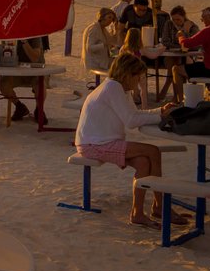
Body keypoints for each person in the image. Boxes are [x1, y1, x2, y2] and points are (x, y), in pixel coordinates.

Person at [74, 54, 186, 227]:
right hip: (94, 143)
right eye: (138, 76)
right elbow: (131, 121)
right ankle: (160, 206)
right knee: (153, 151)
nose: (139, 81)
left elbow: (135, 114)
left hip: (100, 140)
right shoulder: (113, 87)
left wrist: (160, 112)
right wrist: (160, 116)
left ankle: (138, 213)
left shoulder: (118, 88)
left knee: (143, 162)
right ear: (128, 74)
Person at [0, 38, 46, 124]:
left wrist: (24, 41)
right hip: (19, 71)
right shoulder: (12, 34)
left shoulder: (35, 36)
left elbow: (34, 58)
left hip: (36, 71)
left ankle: (39, 110)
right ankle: (19, 107)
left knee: (40, 85)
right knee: (3, 84)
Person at [82, 7, 119, 76]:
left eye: (112, 19)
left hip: (102, 61)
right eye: (109, 17)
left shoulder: (103, 29)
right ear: (102, 17)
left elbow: (112, 43)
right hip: (95, 63)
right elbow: (89, 48)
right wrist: (104, 44)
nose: (111, 20)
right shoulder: (94, 29)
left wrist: (116, 30)